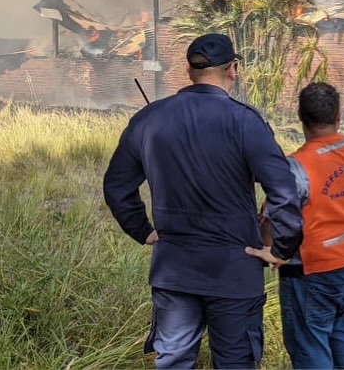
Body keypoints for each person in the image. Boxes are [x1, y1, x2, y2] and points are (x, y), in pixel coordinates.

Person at [103, 33, 303, 369]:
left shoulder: (150, 118)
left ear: (189, 69)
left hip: (174, 271)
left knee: (174, 362)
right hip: (236, 274)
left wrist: (143, 230)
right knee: (236, 362)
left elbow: (116, 186)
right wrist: (282, 249)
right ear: (233, 69)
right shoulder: (245, 121)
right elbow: (284, 191)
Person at [248, 82, 344, 369]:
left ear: (300, 116)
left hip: (313, 269)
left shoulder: (296, 166)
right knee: (343, 326)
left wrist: (272, 250)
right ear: (338, 115)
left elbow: (273, 215)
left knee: (309, 344)